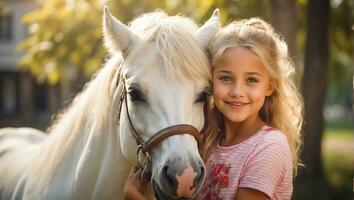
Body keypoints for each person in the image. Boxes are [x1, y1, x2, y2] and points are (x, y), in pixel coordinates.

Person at [123, 17, 303, 200]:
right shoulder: (208, 141)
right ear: (210, 79)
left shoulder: (269, 147)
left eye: (252, 80)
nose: (237, 92)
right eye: (225, 78)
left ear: (270, 87)